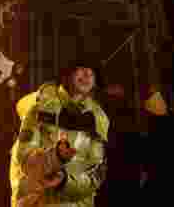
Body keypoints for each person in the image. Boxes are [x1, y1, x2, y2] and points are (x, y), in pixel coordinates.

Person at [9, 58, 109, 207]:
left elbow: (95, 175)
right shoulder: (40, 108)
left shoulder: (98, 119)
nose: (88, 74)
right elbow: (24, 158)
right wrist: (55, 157)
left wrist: (64, 182)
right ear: (67, 75)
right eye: (81, 68)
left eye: (93, 73)